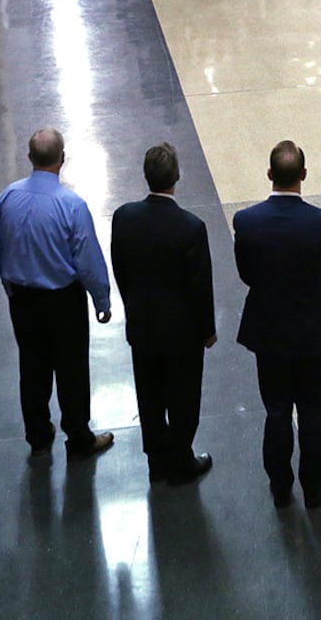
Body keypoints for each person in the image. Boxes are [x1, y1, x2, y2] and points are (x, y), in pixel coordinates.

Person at [233, 140, 321, 509]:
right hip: (313, 332)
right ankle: (314, 484)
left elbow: (247, 273)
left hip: (268, 333)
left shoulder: (247, 222)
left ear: (269, 175)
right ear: (304, 175)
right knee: (313, 411)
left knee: (277, 409)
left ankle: (280, 484)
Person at [0, 128, 115, 459]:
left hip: (23, 300)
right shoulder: (72, 206)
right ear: (62, 160)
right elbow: (87, 261)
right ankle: (78, 437)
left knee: (32, 367)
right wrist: (101, 299)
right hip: (63, 302)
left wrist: (11, 289)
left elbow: (0, 249)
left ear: (29, 158)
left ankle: (37, 433)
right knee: (72, 369)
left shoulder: (5, 199)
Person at [111, 144, 216, 485]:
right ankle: (182, 459)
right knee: (184, 397)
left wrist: (134, 305)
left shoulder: (124, 217)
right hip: (182, 333)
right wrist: (207, 329)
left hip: (143, 326)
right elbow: (199, 285)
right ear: (177, 177)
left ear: (146, 176)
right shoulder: (191, 227)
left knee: (149, 394)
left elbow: (120, 269)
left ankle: (156, 460)